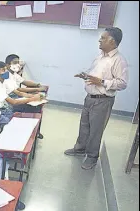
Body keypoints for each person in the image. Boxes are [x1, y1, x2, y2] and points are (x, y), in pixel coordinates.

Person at [64, 27, 129, 170]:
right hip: (90, 97)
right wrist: (85, 75)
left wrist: (102, 82)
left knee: (96, 130)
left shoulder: (119, 60)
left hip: (103, 100)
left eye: (103, 38)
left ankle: (92, 157)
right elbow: (94, 74)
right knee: (84, 125)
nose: (99, 40)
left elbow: (122, 83)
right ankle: (80, 148)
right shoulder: (100, 56)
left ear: (112, 41)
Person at [0, 62, 41, 127]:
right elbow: (13, 102)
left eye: (6, 69)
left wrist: (32, 96)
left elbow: (16, 91)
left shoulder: (4, 81)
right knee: (17, 126)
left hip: (5, 108)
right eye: (3, 70)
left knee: (31, 107)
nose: (6, 72)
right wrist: (33, 98)